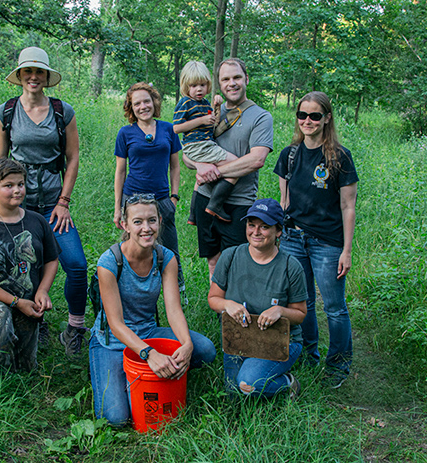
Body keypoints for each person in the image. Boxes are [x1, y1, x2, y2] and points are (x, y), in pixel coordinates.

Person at [0, 46, 89, 357]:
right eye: (27, 72)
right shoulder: (5, 112)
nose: (33, 77)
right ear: (20, 76)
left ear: (47, 77)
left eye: (39, 72)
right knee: (25, 267)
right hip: (17, 204)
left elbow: (72, 158)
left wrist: (64, 201)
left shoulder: (63, 112)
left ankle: (74, 327)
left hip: (52, 203)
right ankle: (37, 320)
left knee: (75, 264)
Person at [89, 194, 216, 426]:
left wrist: (186, 344)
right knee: (116, 419)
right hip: (112, 340)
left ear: (159, 221)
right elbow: (116, 324)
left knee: (205, 350)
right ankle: (116, 373)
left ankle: (145, 374)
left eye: (151, 220)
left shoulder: (165, 258)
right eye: (137, 222)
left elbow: (173, 309)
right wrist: (150, 354)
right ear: (125, 225)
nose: (146, 228)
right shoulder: (109, 263)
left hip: (149, 331)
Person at [274, 91, 358, 388]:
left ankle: (338, 365)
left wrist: (346, 250)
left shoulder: (340, 157)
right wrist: (278, 237)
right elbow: (285, 201)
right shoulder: (290, 154)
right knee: (303, 302)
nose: (307, 121)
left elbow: (348, 206)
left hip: (327, 243)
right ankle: (309, 355)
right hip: (294, 239)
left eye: (314, 116)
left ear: (327, 119)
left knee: (334, 307)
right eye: (302, 115)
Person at [0, 159, 60, 373]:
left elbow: (52, 259)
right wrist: (15, 302)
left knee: (24, 368)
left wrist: (42, 290)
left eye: (21, 184)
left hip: (26, 297)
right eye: (9, 185)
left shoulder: (37, 222)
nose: (17, 190)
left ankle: (18, 387)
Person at [183, 58, 274, 280]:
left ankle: (238, 311)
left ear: (246, 79)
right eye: (225, 79)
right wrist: (199, 165)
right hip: (206, 197)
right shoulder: (208, 113)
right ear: (219, 84)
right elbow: (187, 153)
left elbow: (256, 160)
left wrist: (214, 172)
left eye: (236, 78)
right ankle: (221, 313)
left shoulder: (261, 117)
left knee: (236, 262)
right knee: (213, 260)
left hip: (238, 203)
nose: (231, 83)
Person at [207, 198, 307, 398]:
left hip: (279, 339)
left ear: (278, 231)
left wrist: (280, 311)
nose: (256, 232)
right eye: (251, 225)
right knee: (233, 392)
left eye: (264, 227)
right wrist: (227, 304)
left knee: (248, 383)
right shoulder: (231, 256)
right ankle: (260, 376)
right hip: (238, 337)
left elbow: (301, 314)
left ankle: (287, 384)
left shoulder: (290, 266)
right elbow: (213, 298)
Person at [113, 82, 184, 287]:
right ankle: (135, 286)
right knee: (135, 246)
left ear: (154, 102)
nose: (143, 106)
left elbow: (175, 166)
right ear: (131, 107)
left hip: (161, 198)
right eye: (137, 103)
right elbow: (120, 171)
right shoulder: (125, 133)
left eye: (147, 101)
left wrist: (174, 197)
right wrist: (118, 208)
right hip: (132, 198)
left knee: (170, 247)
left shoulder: (168, 129)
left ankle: (177, 288)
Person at [172, 61, 239, 222]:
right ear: (186, 86)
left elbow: (213, 123)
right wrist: (201, 120)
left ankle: (193, 213)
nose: (199, 89)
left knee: (204, 175)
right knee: (236, 165)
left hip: (205, 143)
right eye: (194, 85)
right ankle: (215, 204)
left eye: (202, 84)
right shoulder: (186, 103)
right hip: (198, 145)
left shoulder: (203, 103)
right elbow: (176, 128)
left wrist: (216, 106)